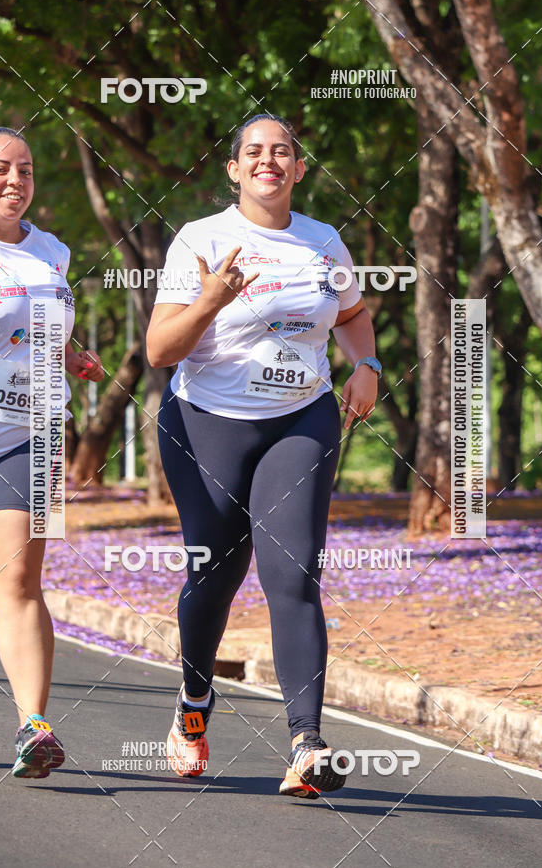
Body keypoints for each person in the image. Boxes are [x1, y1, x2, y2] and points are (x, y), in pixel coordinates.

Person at [146, 114, 380, 798]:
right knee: (215, 574)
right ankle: (194, 705)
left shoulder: (322, 240)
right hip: (206, 423)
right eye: (254, 152)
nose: (268, 161)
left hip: (301, 419)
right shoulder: (202, 238)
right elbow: (161, 351)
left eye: (282, 152)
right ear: (234, 169)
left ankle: (307, 745)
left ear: (300, 169)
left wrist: (364, 362)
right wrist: (212, 300)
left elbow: (352, 314)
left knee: (295, 572)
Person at [0, 126, 104, 778]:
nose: (15, 180)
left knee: (17, 582)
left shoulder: (53, 253)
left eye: (25, 170)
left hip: (30, 438)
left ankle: (34, 727)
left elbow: (31, 333)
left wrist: (68, 356)